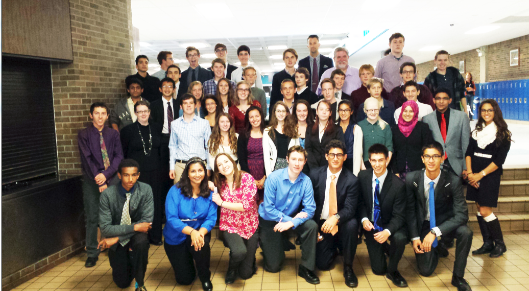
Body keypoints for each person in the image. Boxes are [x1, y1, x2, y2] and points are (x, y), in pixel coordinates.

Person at [406, 142, 473, 291]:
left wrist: (435, 232)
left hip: (444, 223)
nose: (431, 160)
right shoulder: (412, 179)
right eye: (428, 156)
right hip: (424, 224)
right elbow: (410, 211)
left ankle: (458, 277)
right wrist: (415, 237)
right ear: (422, 159)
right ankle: (437, 248)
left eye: (435, 156)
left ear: (442, 158)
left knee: (466, 232)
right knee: (426, 271)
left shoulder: (453, 180)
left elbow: (462, 214)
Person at [258, 146, 320, 284]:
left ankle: (306, 268)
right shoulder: (274, 178)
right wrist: (291, 221)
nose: (297, 163)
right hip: (270, 219)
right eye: (293, 159)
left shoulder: (306, 181)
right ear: (287, 159)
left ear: (305, 162)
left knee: (311, 226)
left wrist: (291, 223)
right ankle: (269, 243)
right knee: (273, 267)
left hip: (291, 218)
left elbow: (310, 209)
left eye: (300, 160)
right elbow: (268, 209)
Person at [78, 102, 123, 267]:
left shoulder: (113, 134)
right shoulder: (84, 135)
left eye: (103, 113)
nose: (100, 116)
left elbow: (119, 156)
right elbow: (87, 158)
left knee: (115, 214)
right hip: (92, 180)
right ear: (91, 115)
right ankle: (92, 252)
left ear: (107, 116)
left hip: (112, 178)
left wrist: (106, 175)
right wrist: (98, 178)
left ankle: (117, 246)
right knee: (92, 216)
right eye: (96, 113)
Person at [310, 140, 360, 288]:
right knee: (322, 265)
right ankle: (335, 245)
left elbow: (350, 209)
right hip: (322, 223)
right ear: (326, 156)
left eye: (339, 155)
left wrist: (336, 218)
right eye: (332, 154)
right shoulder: (314, 175)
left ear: (345, 157)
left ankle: (348, 267)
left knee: (352, 224)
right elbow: (309, 205)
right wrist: (315, 230)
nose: (335, 158)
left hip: (342, 221)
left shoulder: (352, 180)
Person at [98, 159, 153, 291]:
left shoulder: (146, 190)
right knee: (122, 283)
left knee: (141, 242)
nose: (130, 179)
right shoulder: (107, 195)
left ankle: (140, 284)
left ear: (138, 175)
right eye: (126, 175)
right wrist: (135, 227)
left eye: (134, 175)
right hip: (119, 234)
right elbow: (105, 228)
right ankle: (128, 261)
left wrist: (117, 238)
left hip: (128, 237)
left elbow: (146, 223)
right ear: (119, 175)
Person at [466, 100, 512, 258]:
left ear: (495, 112)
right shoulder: (476, 131)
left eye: (490, 110)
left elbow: (498, 161)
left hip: (489, 175)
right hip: (474, 173)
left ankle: (500, 244)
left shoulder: (502, 133)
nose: (486, 113)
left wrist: (480, 175)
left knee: (486, 209)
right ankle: (487, 243)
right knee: (479, 207)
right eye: (483, 110)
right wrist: (471, 173)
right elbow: (468, 153)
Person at [358, 144, 408, 288]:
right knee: (378, 270)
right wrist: (364, 219)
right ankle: (383, 248)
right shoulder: (363, 176)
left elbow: (399, 215)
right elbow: (360, 203)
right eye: (374, 160)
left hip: (389, 224)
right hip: (372, 225)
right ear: (369, 160)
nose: (377, 164)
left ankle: (393, 271)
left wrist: (387, 232)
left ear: (387, 160)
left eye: (381, 160)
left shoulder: (398, 185)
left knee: (400, 238)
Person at [164, 158, 217, 291]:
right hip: (176, 236)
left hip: (199, 232)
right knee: (185, 280)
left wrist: (199, 233)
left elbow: (211, 218)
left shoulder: (210, 192)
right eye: (193, 171)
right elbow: (171, 218)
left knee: (201, 244)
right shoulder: (175, 191)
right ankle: (187, 261)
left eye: (200, 170)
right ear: (187, 173)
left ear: (205, 172)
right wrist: (191, 231)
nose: (197, 174)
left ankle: (205, 277)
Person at [120, 101, 163, 245]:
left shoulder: (157, 128)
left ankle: (155, 236)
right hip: (137, 175)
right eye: (140, 111)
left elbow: (161, 151)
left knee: (155, 203)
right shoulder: (127, 131)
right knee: (137, 204)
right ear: (135, 113)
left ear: (149, 112)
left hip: (156, 172)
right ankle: (139, 238)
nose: (143, 114)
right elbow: (124, 154)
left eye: (145, 111)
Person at [212, 154, 259, 283]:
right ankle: (231, 269)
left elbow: (246, 205)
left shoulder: (247, 178)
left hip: (250, 226)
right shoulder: (219, 184)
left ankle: (249, 259)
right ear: (218, 170)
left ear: (232, 162)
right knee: (239, 252)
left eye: (226, 161)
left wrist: (221, 203)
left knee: (246, 274)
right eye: (219, 165)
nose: (224, 166)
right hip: (230, 225)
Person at [422, 89, 470, 178]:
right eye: (438, 98)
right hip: (435, 164)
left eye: (444, 98)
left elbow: (466, 144)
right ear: (433, 100)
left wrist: (466, 167)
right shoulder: (426, 119)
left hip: (457, 165)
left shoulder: (461, 117)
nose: (441, 101)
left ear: (450, 100)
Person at [169, 94, 212, 183]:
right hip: (181, 165)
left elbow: (209, 146)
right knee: (179, 194)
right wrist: (172, 167)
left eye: (191, 103)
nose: (188, 105)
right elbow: (173, 146)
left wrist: (208, 167)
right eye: (185, 103)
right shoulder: (174, 124)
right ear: (181, 106)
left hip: (200, 165)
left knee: (200, 194)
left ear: (195, 105)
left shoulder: (204, 123)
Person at [149, 77, 179, 207]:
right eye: (164, 86)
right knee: (163, 174)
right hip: (162, 141)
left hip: (178, 141)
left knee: (176, 172)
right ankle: (163, 207)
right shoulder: (154, 105)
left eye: (170, 86)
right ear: (160, 89)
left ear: (174, 89)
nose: (167, 89)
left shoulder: (179, 104)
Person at [391, 100, 433, 181]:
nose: (407, 114)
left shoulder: (423, 127)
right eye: (405, 111)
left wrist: (426, 168)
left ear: (416, 113)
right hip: (400, 171)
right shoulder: (394, 129)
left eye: (411, 111)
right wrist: (395, 171)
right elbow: (393, 151)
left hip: (419, 169)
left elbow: (428, 149)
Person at [424, 50, 468, 114]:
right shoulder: (430, 78)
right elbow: (427, 99)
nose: (442, 62)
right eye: (440, 60)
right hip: (438, 114)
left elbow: (462, 94)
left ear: (448, 61)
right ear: (435, 61)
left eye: (445, 60)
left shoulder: (455, 73)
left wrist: (465, 111)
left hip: (456, 112)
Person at [306, 100, 345, 171]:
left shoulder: (337, 129)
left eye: (327, 110)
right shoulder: (310, 128)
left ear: (330, 113)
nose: (324, 112)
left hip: (330, 167)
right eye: (321, 109)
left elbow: (339, 149)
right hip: (312, 167)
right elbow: (308, 149)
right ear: (317, 112)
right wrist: (314, 168)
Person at [238, 106, 266, 202]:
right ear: (248, 119)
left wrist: (265, 177)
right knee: (251, 202)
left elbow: (272, 157)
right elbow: (241, 158)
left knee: (265, 203)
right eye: (251, 117)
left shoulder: (268, 132)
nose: (254, 119)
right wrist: (251, 179)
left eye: (257, 116)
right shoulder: (243, 134)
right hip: (249, 172)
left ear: (261, 117)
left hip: (265, 172)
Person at [263, 101, 300, 176]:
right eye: (278, 111)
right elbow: (266, 156)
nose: (281, 113)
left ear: (287, 113)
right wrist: (269, 176)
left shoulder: (293, 129)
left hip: (290, 166)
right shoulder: (267, 131)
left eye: (283, 111)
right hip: (274, 167)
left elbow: (297, 152)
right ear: (275, 113)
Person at [356, 97, 393, 170]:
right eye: (370, 110)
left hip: (382, 165)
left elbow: (389, 148)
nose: (373, 112)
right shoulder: (358, 126)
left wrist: (384, 166)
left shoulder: (386, 126)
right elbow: (357, 151)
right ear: (365, 110)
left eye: (375, 110)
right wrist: (363, 169)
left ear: (379, 110)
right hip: (364, 166)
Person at [337, 100, 362, 175]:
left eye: (346, 110)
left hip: (351, 164)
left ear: (351, 112)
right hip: (336, 161)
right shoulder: (334, 127)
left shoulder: (356, 129)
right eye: (341, 110)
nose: (343, 113)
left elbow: (358, 153)